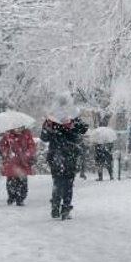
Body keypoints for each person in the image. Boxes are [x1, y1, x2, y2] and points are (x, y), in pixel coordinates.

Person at [40, 92, 89, 220]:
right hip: (68, 154)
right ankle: (64, 209)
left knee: (58, 181)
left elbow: (44, 137)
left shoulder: (54, 119)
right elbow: (84, 129)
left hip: (58, 154)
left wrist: (50, 128)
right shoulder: (67, 117)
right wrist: (71, 127)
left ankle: (56, 207)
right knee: (67, 183)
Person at [0, 126, 36, 206]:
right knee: (11, 180)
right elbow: (1, 146)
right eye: (16, 128)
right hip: (11, 162)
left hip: (23, 162)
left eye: (20, 128)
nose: (18, 129)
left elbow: (31, 147)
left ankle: (20, 198)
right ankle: (11, 196)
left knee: (22, 181)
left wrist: (26, 154)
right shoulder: (7, 135)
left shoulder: (26, 135)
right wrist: (7, 152)